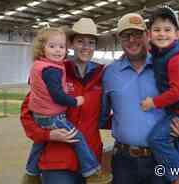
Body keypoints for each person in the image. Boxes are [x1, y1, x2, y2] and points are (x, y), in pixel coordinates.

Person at [100, 12, 179, 184]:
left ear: (146, 35)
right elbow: (102, 115)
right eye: (126, 36)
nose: (132, 40)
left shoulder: (165, 63)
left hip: (160, 159)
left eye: (137, 34)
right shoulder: (109, 73)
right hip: (124, 161)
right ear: (120, 39)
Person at [20, 18, 111, 184]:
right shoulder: (52, 71)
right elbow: (28, 114)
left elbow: (104, 116)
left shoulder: (102, 75)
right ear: (71, 44)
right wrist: (46, 134)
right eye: (80, 41)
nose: (86, 47)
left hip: (90, 160)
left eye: (91, 42)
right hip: (57, 161)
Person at [138, 7, 179, 184]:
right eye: (157, 30)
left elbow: (177, 92)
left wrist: (153, 103)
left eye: (167, 30)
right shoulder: (161, 52)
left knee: (157, 138)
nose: (162, 34)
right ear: (149, 34)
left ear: (177, 34)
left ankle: (178, 176)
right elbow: (152, 52)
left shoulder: (177, 57)